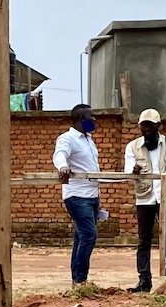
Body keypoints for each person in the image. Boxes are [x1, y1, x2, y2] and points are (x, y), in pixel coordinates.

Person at [123, 108, 166, 294]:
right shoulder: (132, 146)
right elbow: (127, 170)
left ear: (159, 126)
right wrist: (132, 170)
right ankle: (144, 281)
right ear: (140, 127)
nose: (147, 129)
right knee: (143, 241)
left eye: (150, 126)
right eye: (144, 126)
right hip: (144, 199)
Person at [53, 104, 102, 287]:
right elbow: (60, 155)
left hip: (92, 195)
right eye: (92, 117)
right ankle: (81, 280)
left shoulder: (89, 140)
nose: (95, 120)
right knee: (89, 235)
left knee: (81, 237)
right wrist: (62, 167)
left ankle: (76, 280)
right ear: (81, 119)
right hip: (77, 196)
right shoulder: (67, 139)